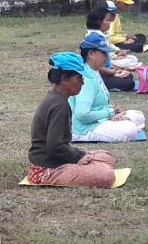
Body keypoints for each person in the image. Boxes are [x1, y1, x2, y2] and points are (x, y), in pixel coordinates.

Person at [27, 52, 119, 189]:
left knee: (106, 157)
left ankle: (92, 166)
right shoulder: (59, 105)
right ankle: (93, 168)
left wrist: (79, 156)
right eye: (79, 78)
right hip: (47, 170)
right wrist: (78, 156)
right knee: (107, 176)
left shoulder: (57, 98)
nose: (82, 82)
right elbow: (54, 146)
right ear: (64, 79)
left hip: (57, 160)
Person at [69, 32, 145, 143]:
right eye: (104, 53)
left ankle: (119, 121)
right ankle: (120, 122)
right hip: (86, 128)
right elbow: (82, 115)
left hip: (99, 120)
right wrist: (110, 113)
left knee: (138, 116)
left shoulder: (93, 71)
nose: (107, 56)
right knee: (130, 129)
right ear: (91, 54)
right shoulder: (86, 78)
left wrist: (111, 111)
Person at [85, 6, 135, 92]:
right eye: (107, 20)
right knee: (129, 83)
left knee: (129, 76)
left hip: (103, 72)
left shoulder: (100, 36)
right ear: (99, 22)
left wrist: (116, 71)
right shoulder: (95, 39)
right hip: (96, 77)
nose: (110, 23)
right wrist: (115, 73)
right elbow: (97, 67)